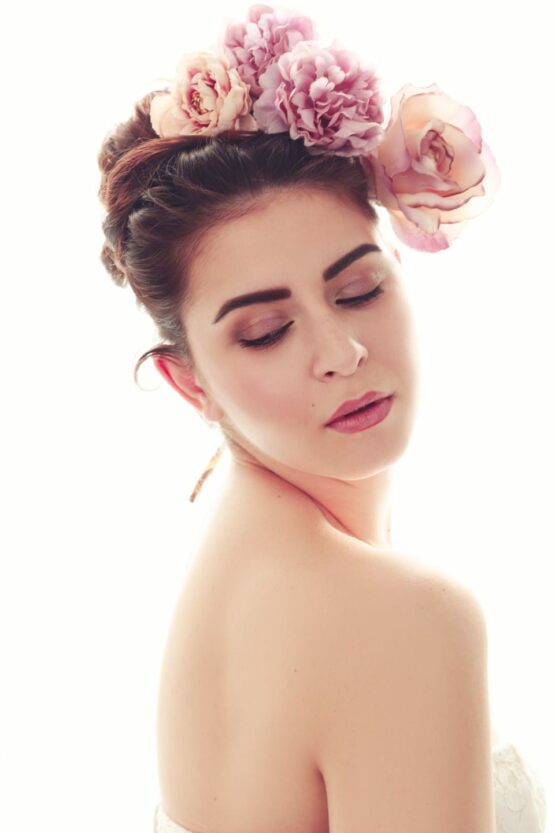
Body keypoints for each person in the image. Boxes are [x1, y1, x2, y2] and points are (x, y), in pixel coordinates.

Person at [97, 6, 546, 832]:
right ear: (189, 383)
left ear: (398, 265)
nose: (341, 350)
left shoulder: (230, 581)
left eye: (358, 288)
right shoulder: (398, 618)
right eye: (266, 331)